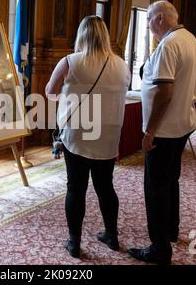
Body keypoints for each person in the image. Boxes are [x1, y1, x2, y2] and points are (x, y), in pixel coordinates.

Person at [127, 1, 196, 265]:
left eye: (149, 19)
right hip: (183, 124)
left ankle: (159, 247)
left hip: (164, 130)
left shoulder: (169, 45)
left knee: (155, 187)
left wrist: (150, 131)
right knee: (170, 180)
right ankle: (170, 230)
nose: (148, 25)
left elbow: (164, 92)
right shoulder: (190, 38)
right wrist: (190, 98)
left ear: (160, 18)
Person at [45, 16, 131, 259]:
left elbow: (50, 92)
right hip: (109, 133)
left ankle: (74, 242)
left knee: (76, 188)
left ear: (81, 35)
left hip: (78, 133)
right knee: (105, 187)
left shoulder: (70, 62)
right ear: (105, 35)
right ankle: (112, 235)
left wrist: (67, 92)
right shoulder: (122, 65)